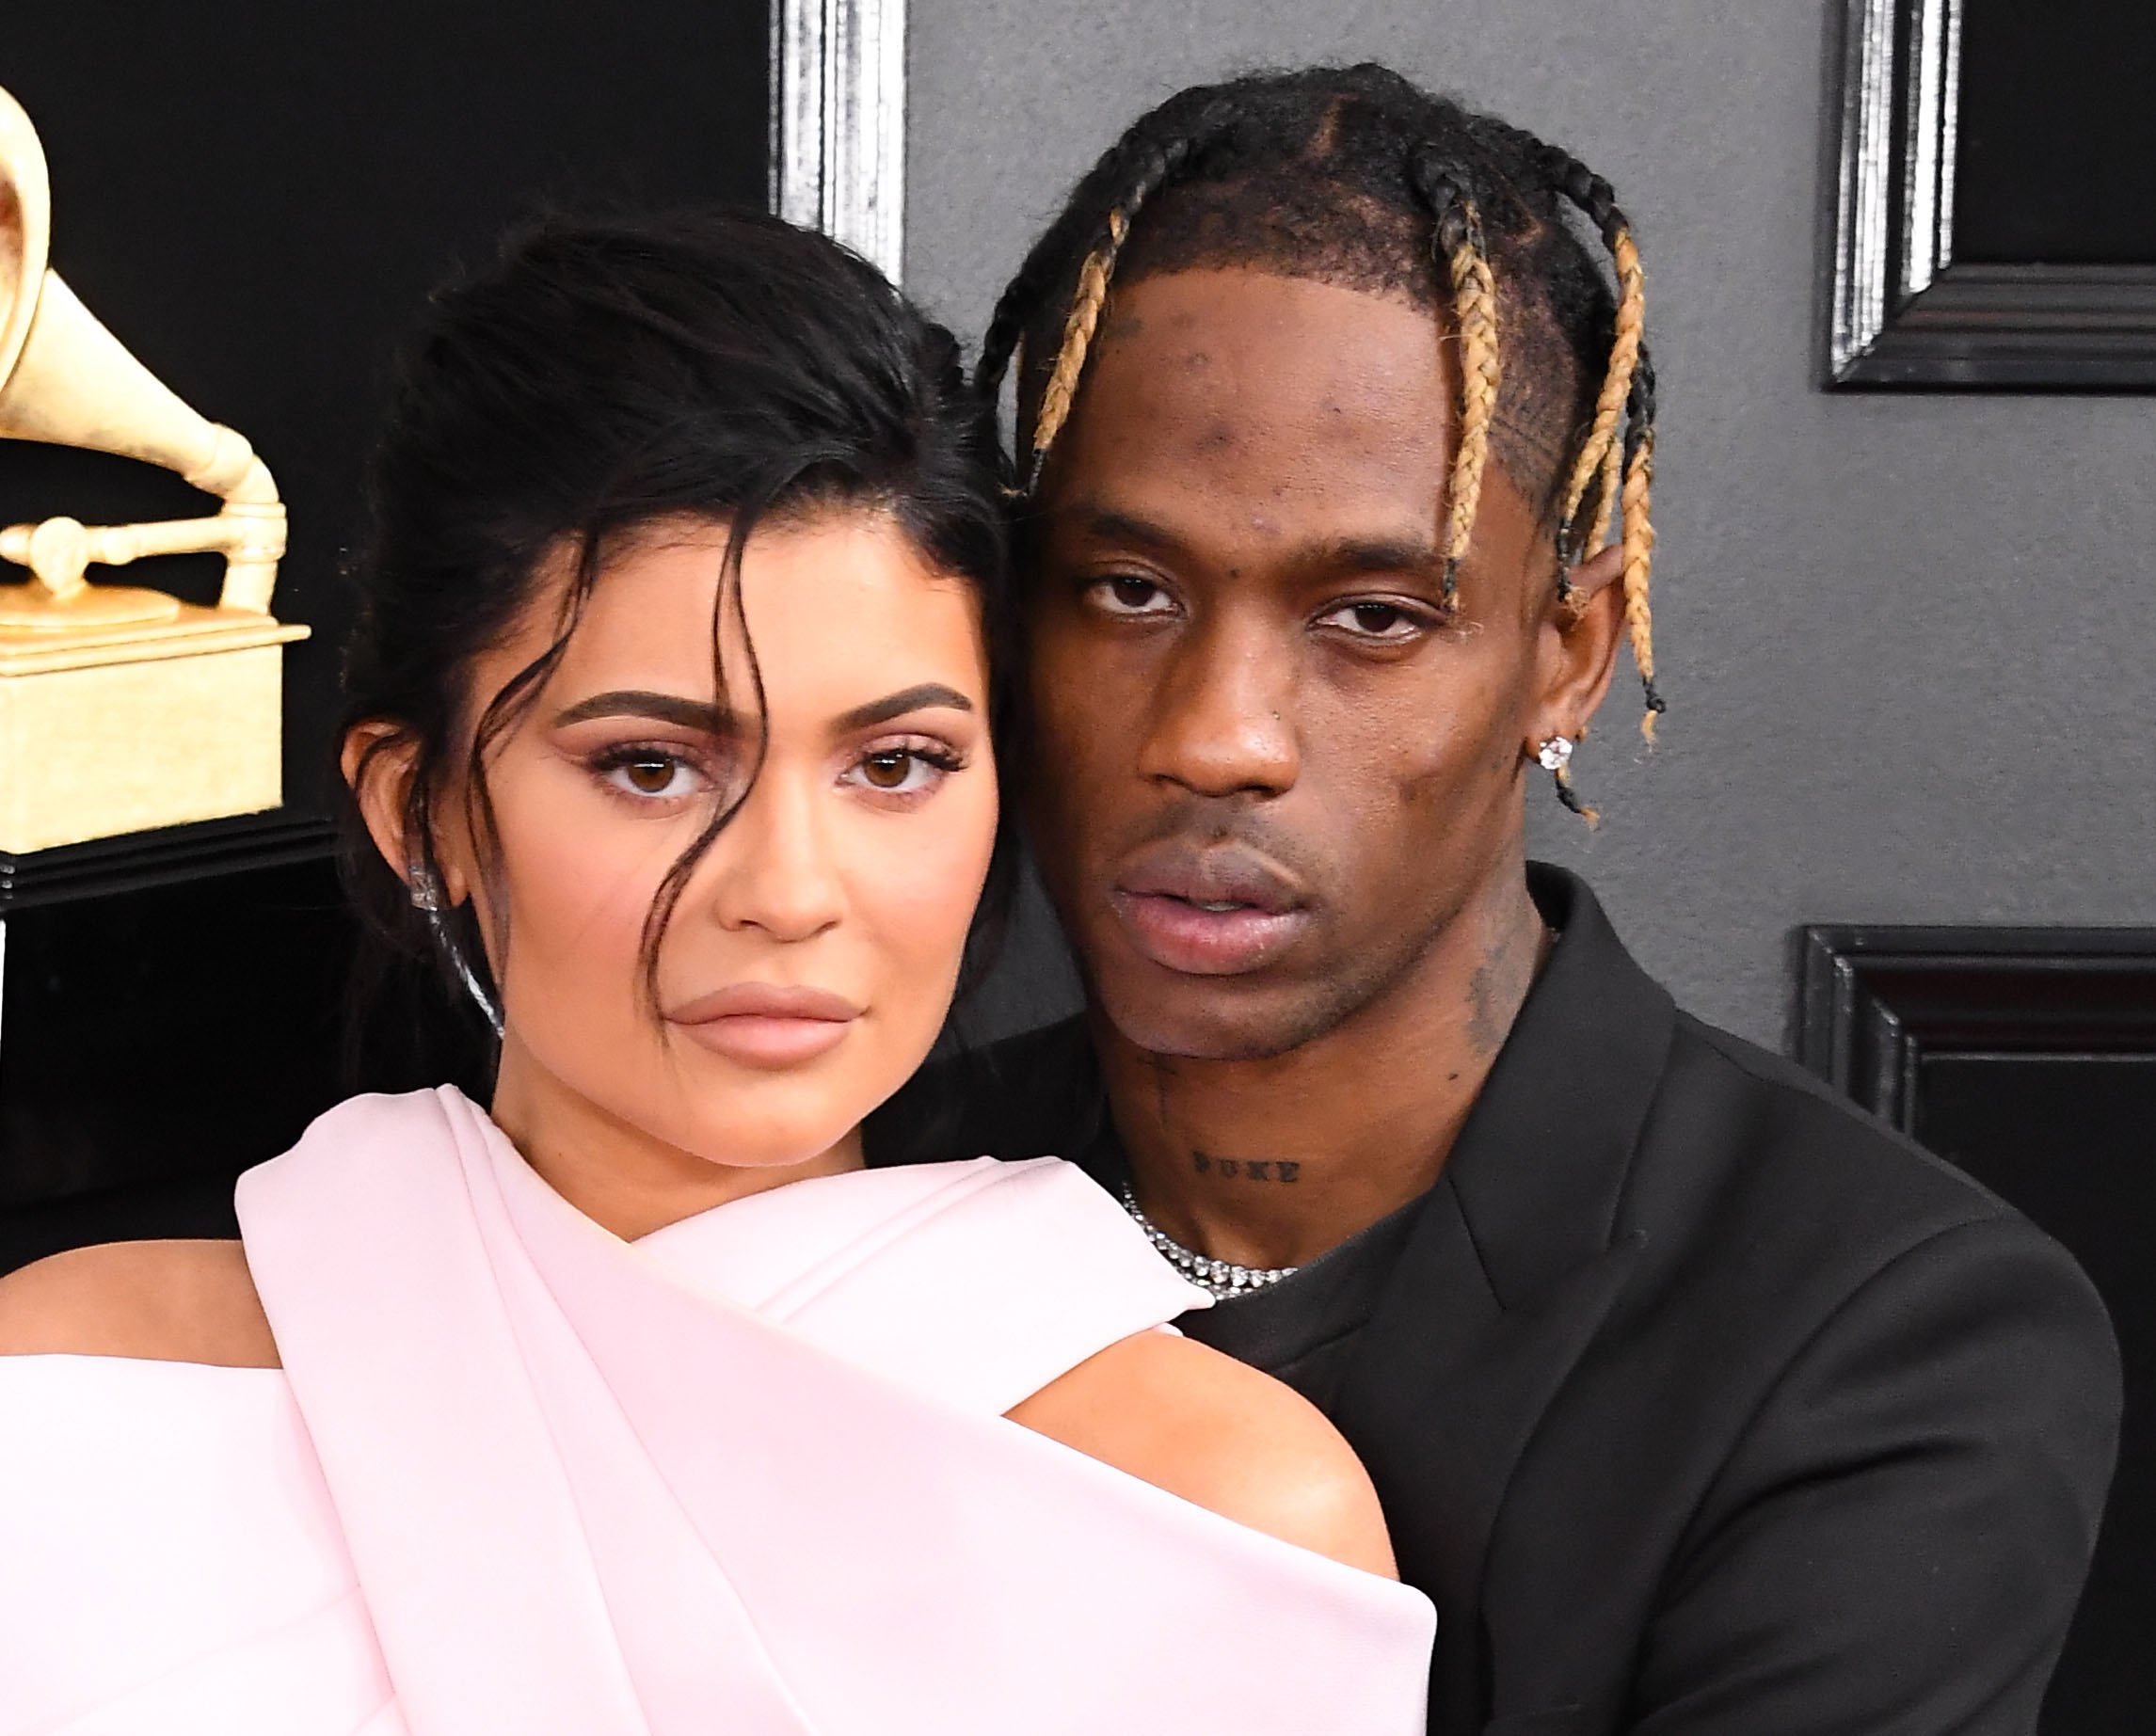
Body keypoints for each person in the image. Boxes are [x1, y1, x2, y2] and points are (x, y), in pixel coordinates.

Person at [0, 208, 1435, 1733]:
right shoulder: (67, 1400)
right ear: (422, 811)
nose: (789, 891)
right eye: (650, 765)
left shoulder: (1223, 1523)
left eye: (896, 762)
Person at [868, 64, 2121, 1735]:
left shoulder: (1879, 1337)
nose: (1217, 737)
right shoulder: (869, 1194)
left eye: (1373, 613)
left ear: (1568, 654)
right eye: (1129, 587)